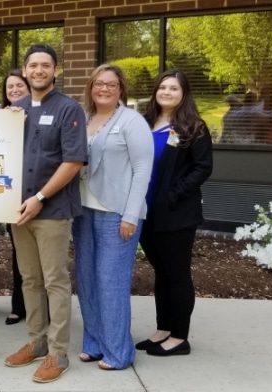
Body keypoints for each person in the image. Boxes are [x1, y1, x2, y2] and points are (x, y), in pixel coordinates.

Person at [3, 44, 86, 383]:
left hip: (51, 210)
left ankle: (58, 353)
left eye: (45, 65)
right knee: (30, 280)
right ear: (24, 70)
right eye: (33, 65)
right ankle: (36, 342)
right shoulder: (14, 111)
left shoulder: (69, 109)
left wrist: (39, 196)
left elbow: (73, 162)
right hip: (18, 211)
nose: (38, 70)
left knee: (55, 281)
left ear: (56, 71)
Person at [71, 64, 153, 371]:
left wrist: (131, 214)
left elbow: (143, 169)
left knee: (110, 282)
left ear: (121, 89)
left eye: (111, 84)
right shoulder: (86, 118)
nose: (104, 89)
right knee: (87, 280)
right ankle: (94, 344)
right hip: (84, 210)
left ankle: (119, 352)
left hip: (117, 212)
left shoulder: (132, 121)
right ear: (91, 88)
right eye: (98, 84)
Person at [136, 68, 213, 357]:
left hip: (175, 213)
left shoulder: (193, 126)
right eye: (163, 87)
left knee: (177, 274)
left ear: (184, 94)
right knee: (161, 272)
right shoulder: (145, 123)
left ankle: (180, 337)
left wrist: (173, 194)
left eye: (174, 89)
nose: (166, 92)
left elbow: (202, 167)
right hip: (146, 210)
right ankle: (163, 329)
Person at [0, 69, 31, 325]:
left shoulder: (40, 113)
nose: (14, 90)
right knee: (19, 253)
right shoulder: (1, 118)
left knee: (44, 258)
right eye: (10, 87)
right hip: (12, 196)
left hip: (40, 195)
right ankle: (19, 306)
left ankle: (42, 307)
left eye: (19, 86)